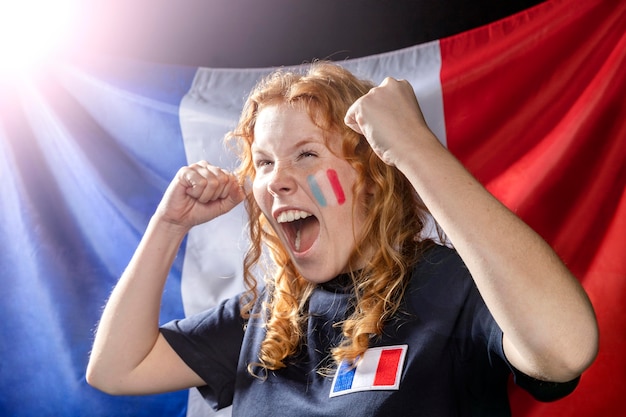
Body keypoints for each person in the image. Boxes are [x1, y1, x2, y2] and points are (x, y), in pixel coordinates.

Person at [86, 62, 598, 416]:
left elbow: (565, 350)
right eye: (264, 162)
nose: (277, 179)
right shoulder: (264, 316)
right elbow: (116, 369)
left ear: (373, 179)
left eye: (306, 154)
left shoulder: (454, 286)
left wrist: (415, 148)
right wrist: (168, 226)